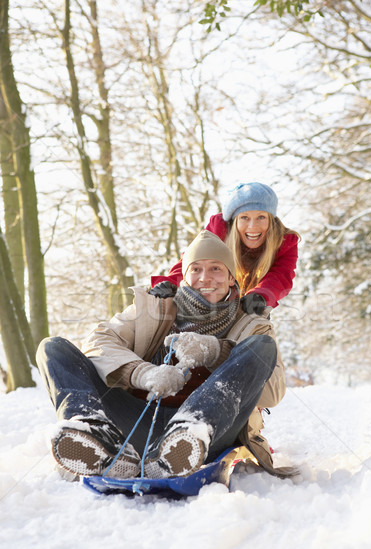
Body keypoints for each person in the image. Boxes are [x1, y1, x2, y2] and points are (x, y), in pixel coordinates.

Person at [37, 231, 295, 482]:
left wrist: (216, 352)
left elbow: (272, 393)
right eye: (196, 269)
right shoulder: (151, 308)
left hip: (210, 432)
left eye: (216, 268)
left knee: (261, 346)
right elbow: (99, 341)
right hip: (139, 421)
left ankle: (186, 434)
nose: (205, 277)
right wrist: (143, 373)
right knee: (53, 348)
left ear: (231, 278)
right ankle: (95, 434)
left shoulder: (253, 324)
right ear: (184, 277)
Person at [150, 182, 300, 316]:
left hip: (252, 303)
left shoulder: (284, 242)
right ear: (234, 221)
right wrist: (170, 283)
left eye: (261, 217)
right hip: (214, 297)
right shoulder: (219, 230)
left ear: (270, 220)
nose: (253, 226)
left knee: (256, 334)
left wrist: (261, 295)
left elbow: (281, 276)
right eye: (244, 218)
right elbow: (192, 261)